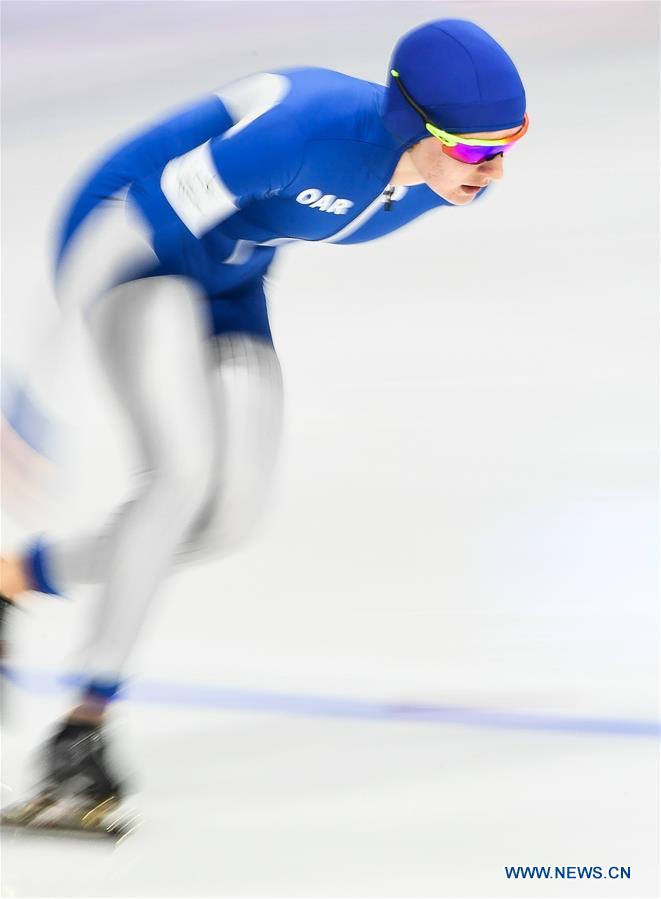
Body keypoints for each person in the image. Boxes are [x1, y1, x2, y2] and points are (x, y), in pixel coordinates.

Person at [0, 18, 527, 829]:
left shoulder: (436, 179)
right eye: (469, 148)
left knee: (230, 514)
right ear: (408, 123)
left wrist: (456, 160)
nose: (491, 171)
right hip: (134, 243)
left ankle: (17, 576)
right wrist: (28, 392)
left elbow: (286, 218)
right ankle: (83, 729)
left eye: (508, 144)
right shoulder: (306, 128)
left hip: (231, 273)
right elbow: (119, 230)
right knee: (177, 478)